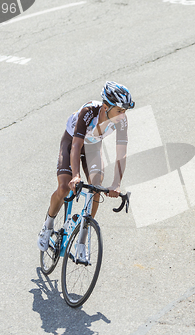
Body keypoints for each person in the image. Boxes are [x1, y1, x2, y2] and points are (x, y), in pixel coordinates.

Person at [37, 81, 133, 252]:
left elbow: (122, 153)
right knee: (64, 187)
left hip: (93, 147)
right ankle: (48, 225)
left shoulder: (121, 120)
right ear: (106, 106)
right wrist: (75, 175)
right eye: (119, 110)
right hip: (72, 142)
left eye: (124, 111)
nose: (122, 115)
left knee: (96, 187)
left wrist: (117, 184)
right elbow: (75, 146)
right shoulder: (89, 111)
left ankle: (82, 240)